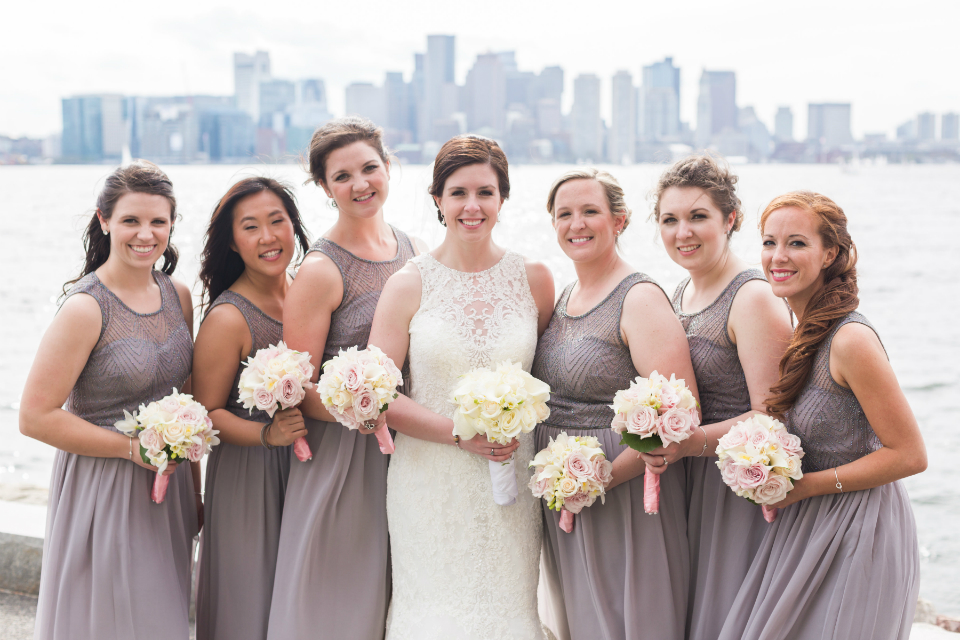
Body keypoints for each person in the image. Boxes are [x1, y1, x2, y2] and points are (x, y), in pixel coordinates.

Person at [367, 135, 555, 639]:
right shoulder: (410, 283)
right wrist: (460, 434)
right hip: (430, 480)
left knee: (508, 609)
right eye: (458, 193)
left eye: (485, 192)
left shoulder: (533, 278)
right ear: (437, 200)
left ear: (502, 198)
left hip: (511, 475)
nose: (472, 206)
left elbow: (549, 379)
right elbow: (379, 395)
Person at [717, 191, 926, 640]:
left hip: (860, 527)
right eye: (770, 242)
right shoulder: (798, 332)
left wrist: (805, 486)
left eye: (796, 243)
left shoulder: (850, 341)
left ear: (830, 253)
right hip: (807, 521)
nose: (778, 257)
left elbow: (909, 455)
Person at [19, 161, 199, 640]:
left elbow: (188, 399)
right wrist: (129, 449)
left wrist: (196, 490)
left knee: (164, 618)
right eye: (131, 221)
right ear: (104, 221)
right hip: (104, 484)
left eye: (158, 221)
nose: (146, 234)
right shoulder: (86, 308)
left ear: (172, 224)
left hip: (170, 486)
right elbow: (34, 417)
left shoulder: (177, 293)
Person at [266, 117, 425, 640]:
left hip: (411, 451)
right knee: (337, 602)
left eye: (369, 168)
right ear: (323, 186)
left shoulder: (415, 248)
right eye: (342, 176)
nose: (360, 184)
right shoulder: (321, 270)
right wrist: (360, 407)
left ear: (388, 167)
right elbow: (297, 389)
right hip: (344, 457)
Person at [531, 168, 697, 640]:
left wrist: (599, 477)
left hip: (622, 491)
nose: (576, 223)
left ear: (619, 221)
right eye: (565, 214)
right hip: (565, 490)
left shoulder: (639, 297)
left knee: (630, 619)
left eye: (590, 211)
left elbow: (680, 413)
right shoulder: (565, 296)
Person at [650, 155, 793, 640]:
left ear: (730, 219)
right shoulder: (676, 293)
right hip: (689, 486)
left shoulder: (752, 297)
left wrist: (689, 443)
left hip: (738, 492)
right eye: (670, 220)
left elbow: (772, 416)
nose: (682, 232)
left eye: (698, 217)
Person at [193, 177, 311, 640]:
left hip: (306, 472)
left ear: (294, 227)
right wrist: (267, 434)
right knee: (250, 603)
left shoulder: (308, 291)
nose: (268, 237)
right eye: (250, 227)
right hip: (249, 478)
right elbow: (205, 415)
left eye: (277, 220)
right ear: (233, 243)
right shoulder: (228, 318)